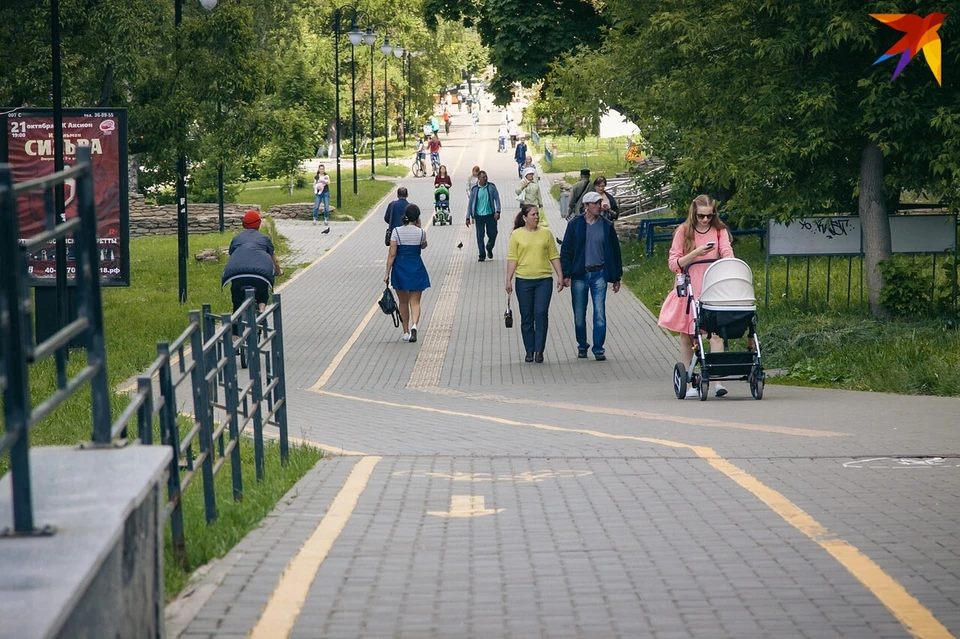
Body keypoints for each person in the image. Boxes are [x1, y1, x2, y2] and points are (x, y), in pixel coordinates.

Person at [657, 194, 735, 397]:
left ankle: (717, 381)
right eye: (701, 216)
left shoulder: (719, 231)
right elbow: (674, 263)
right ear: (694, 213)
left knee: (715, 332)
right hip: (690, 284)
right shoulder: (684, 231)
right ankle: (690, 382)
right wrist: (695, 253)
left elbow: (727, 252)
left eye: (709, 216)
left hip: (711, 284)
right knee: (687, 334)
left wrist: (729, 264)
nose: (705, 220)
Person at [559, 191, 623, 361]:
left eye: (599, 203)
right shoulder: (575, 224)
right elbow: (566, 250)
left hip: (599, 274)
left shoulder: (606, 225)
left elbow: (615, 252)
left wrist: (617, 277)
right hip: (580, 274)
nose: (598, 206)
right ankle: (582, 345)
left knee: (599, 312)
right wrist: (566, 274)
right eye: (594, 203)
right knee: (579, 314)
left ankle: (598, 348)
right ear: (586, 206)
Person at [505, 204, 565, 363]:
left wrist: (560, 275)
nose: (536, 217)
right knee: (527, 316)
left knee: (540, 313)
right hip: (523, 280)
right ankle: (529, 350)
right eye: (533, 215)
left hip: (543, 280)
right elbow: (513, 258)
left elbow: (553, 255)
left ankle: (539, 350)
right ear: (525, 218)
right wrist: (508, 279)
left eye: (537, 214)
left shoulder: (546, 233)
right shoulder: (516, 235)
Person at [222, 210, 282, 317]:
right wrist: (278, 271)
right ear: (259, 224)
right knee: (262, 291)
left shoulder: (236, 239)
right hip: (260, 275)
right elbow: (274, 261)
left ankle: (235, 332)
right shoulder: (265, 239)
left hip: (237, 274)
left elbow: (233, 255)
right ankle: (261, 312)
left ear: (243, 224)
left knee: (237, 302)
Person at [384, 204, 430, 343]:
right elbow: (424, 245)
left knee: (403, 301)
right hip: (416, 267)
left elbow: (392, 254)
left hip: (400, 268)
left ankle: (405, 331)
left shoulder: (397, 231)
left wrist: (387, 273)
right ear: (417, 218)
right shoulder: (421, 232)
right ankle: (415, 325)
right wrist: (419, 227)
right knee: (415, 302)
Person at [466, 170, 502, 262]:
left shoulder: (491, 187)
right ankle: (482, 254)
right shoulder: (475, 189)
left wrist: (498, 211)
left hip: (490, 215)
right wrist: (468, 217)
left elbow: (497, 199)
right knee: (480, 235)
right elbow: (470, 204)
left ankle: (489, 247)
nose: (485, 178)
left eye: (486, 177)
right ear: (478, 179)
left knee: (493, 233)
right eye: (483, 177)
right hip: (479, 216)